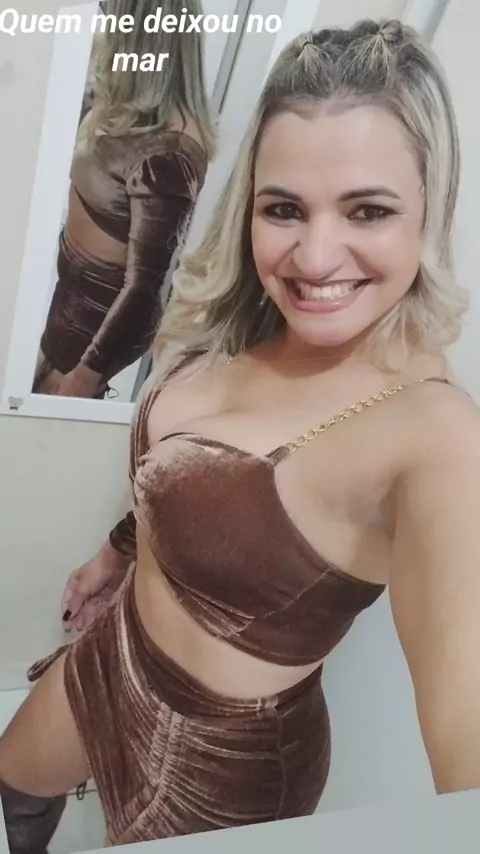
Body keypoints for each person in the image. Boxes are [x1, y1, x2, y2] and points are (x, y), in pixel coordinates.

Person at [2, 16, 480, 852]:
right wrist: (116, 553)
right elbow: (181, 483)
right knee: (13, 781)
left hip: (225, 771)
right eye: (284, 208)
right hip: (116, 656)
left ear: (428, 212)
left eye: (368, 210)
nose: (315, 257)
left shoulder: (434, 436)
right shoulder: (237, 328)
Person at [33, 0, 215, 399]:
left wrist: (88, 372)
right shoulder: (127, 116)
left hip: (86, 333)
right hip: (66, 307)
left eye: (112, 17)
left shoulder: (170, 150)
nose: (105, 28)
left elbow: (143, 287)